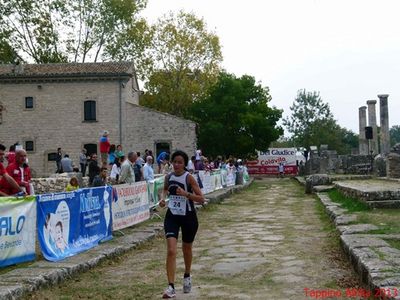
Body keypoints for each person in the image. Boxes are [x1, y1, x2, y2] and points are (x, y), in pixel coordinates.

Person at [159, 150, 205, 298]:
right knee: (171, 250)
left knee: (186, 248)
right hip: (172, 216)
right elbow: (165, 189)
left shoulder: (189, 178)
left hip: (188, 217)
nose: (177, 165)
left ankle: (187, 275)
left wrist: (186, 194)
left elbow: (201, 198)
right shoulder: (169, 176)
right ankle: (170, 286)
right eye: (175, 162)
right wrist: (162, 199)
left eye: (180, 162)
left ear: (184, 164)